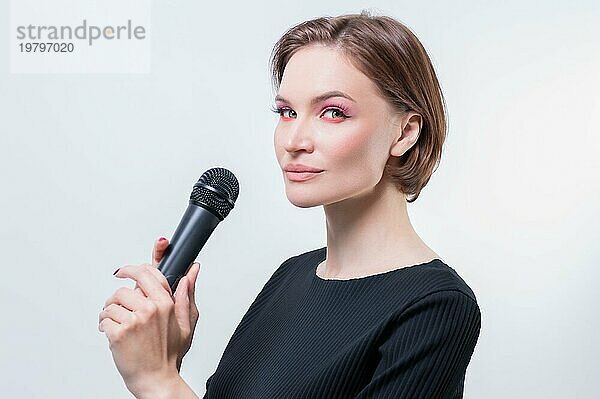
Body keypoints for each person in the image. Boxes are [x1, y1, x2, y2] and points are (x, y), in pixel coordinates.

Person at [98, 10, 481, 399]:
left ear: (405, 133)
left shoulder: (436, 307)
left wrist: (158, 382)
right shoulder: (291, 276)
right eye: (287, 112)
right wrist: (165, 356)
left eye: (333, 112)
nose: (294, 140)